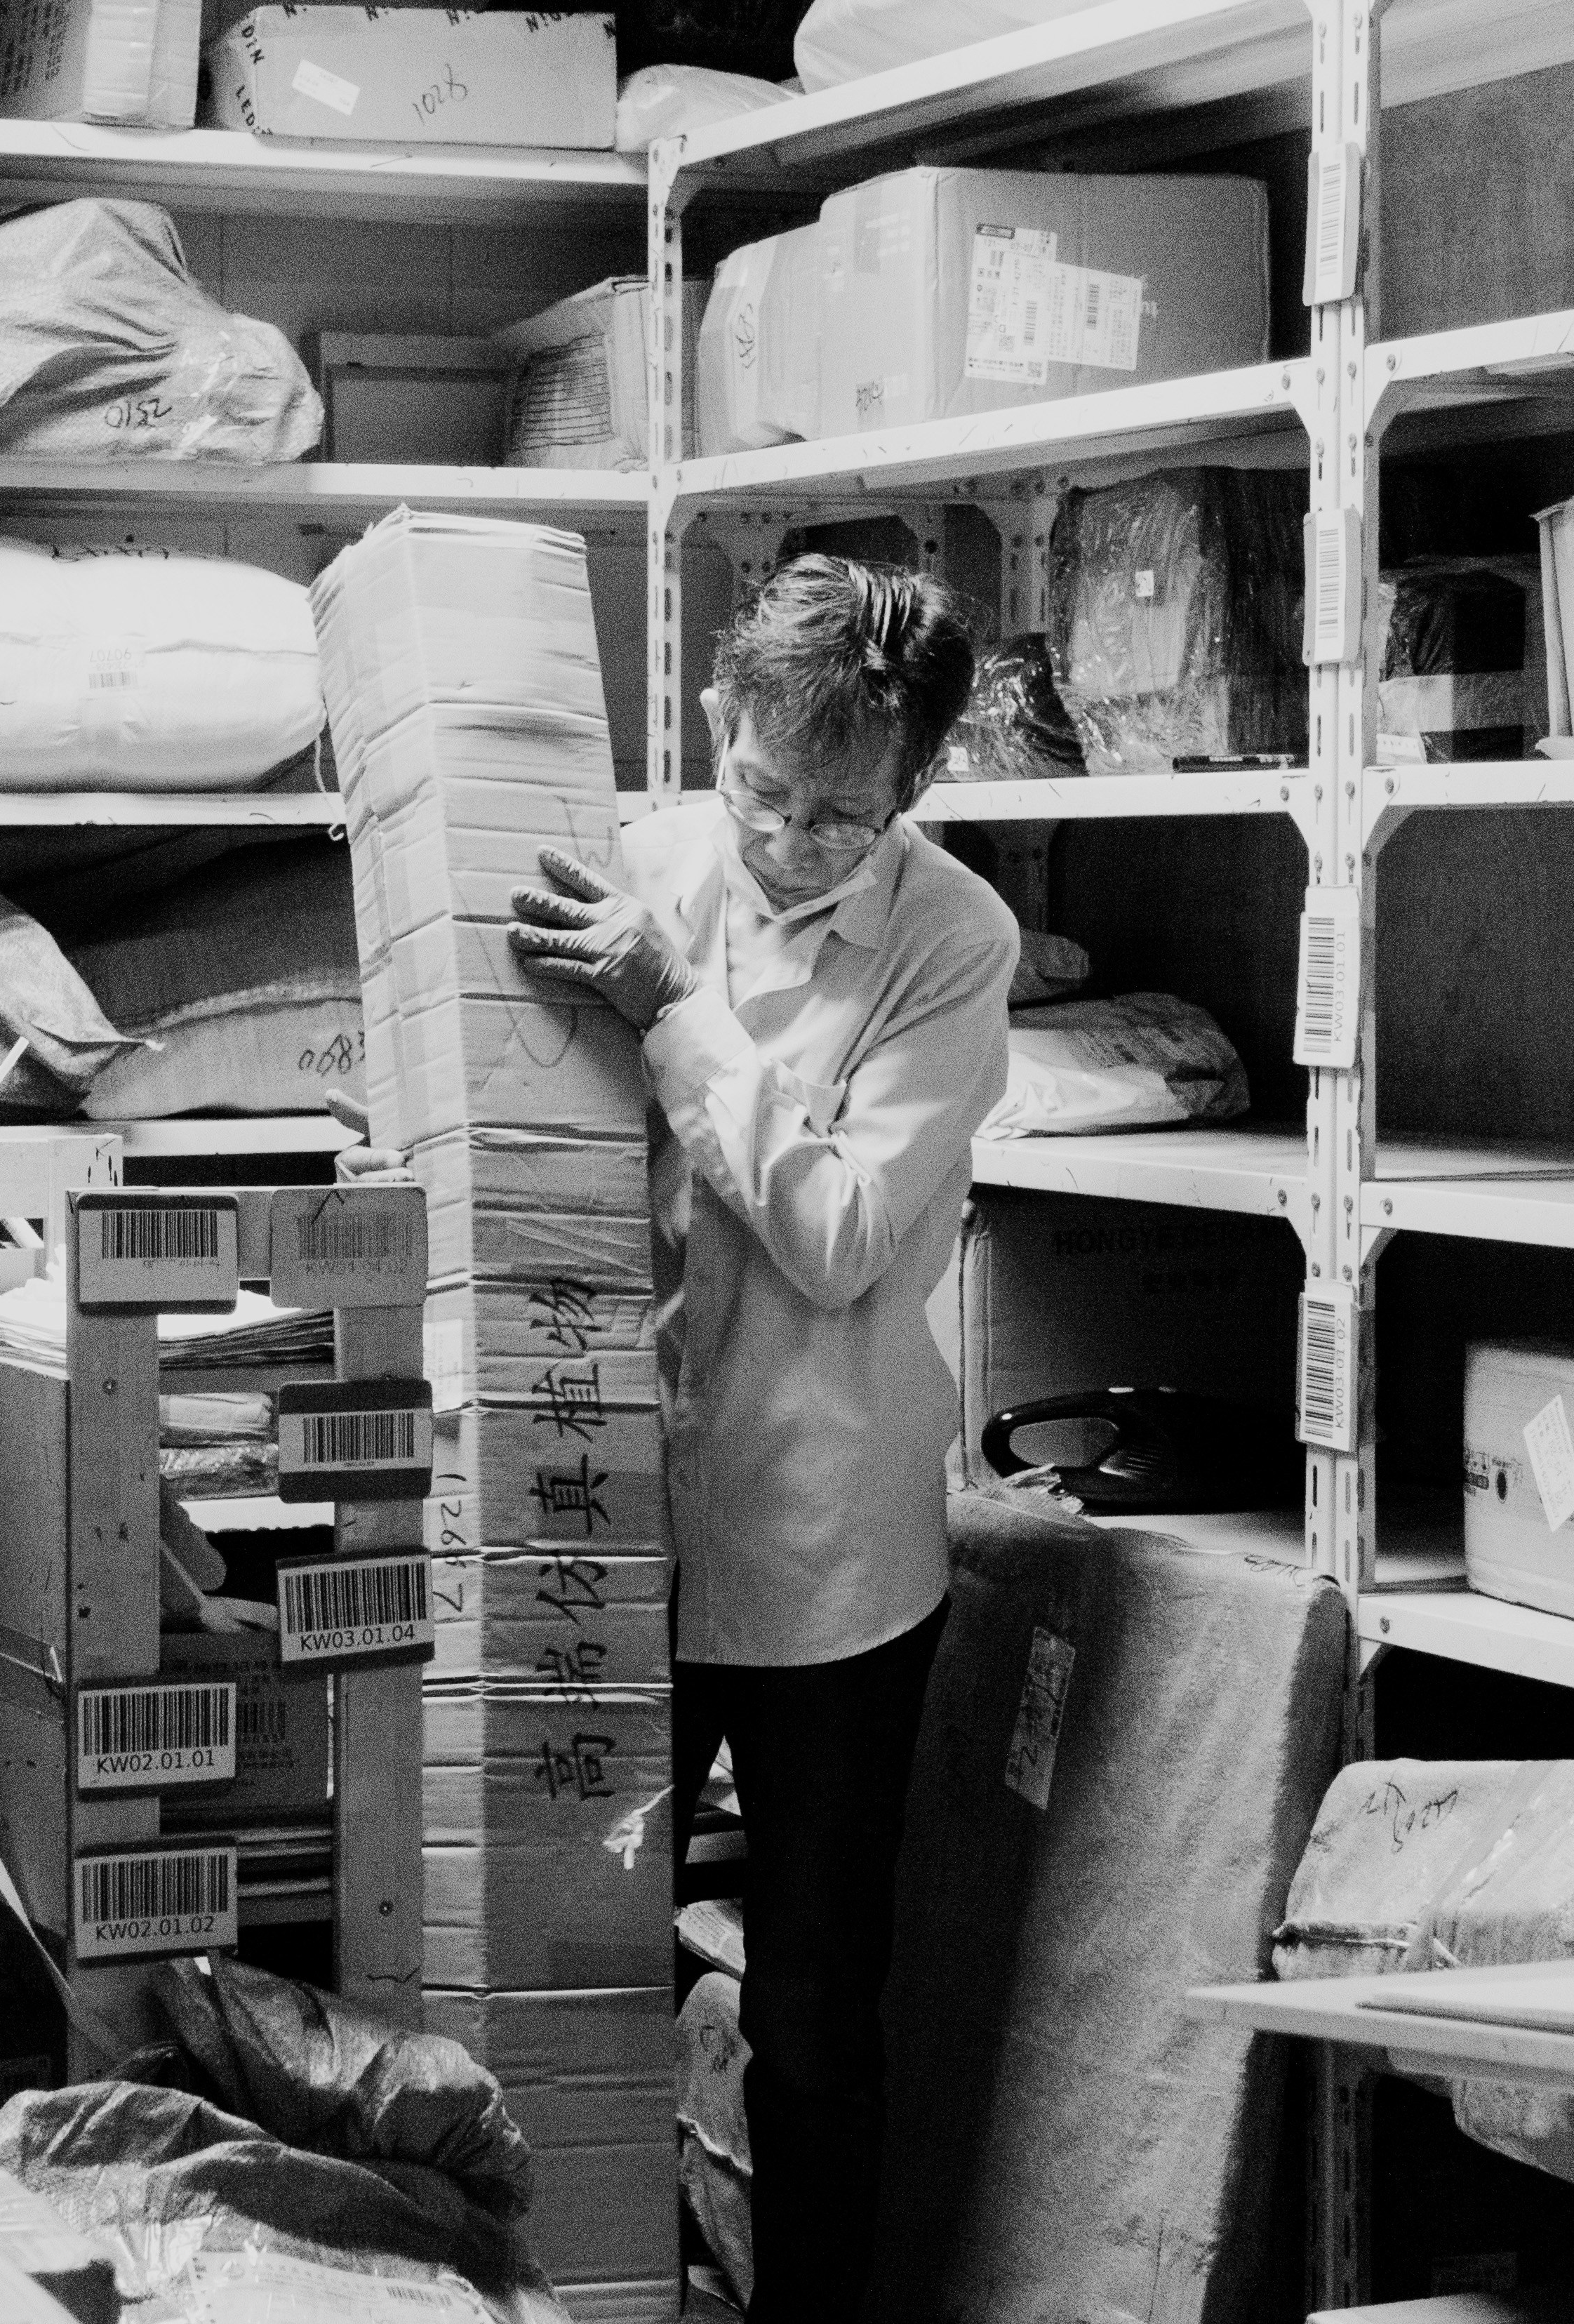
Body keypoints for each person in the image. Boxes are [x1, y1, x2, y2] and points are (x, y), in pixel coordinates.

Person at [505, 555, 1017, 2321]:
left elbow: (843, 1232)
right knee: (576, 1968)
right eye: (764, 796)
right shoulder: (638, 862)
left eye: (841, 816)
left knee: (810, 2011)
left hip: (829, 1561)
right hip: (619, 1515)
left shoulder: (955, 943)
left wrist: (675, 1010)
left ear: (917, 790)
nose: (792, 842)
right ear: (717, 723)